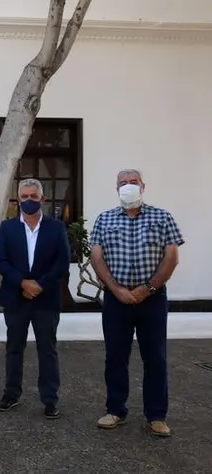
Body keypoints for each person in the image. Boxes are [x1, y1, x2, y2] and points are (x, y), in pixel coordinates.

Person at [90, 169, 184, 437]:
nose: (128, 187)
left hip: (152, 300)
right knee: (115, 357)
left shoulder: (162, 217)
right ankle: (115, 410)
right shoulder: (104, 219)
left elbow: (172, 256)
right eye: (123, 183)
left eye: (133, 182)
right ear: (116, 188)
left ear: (143, 187)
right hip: (116, 300)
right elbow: (97, 257)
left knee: (155, 357)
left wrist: (148, 287)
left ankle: (156, 416)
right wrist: (116, 289)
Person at [0, 179, 70, 419]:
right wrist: (23, 283)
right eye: (24, 196)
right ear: (18, 199)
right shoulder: (7, 227)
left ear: (42, 199)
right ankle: (11, 394)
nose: (28, 201)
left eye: (33, 196)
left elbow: (62, 263)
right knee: (14, 348)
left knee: (47, 350)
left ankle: (49, 399)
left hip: (46, 299)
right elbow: (1, 261)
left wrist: (40, 285)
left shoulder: (56, 228)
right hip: (16, 297)